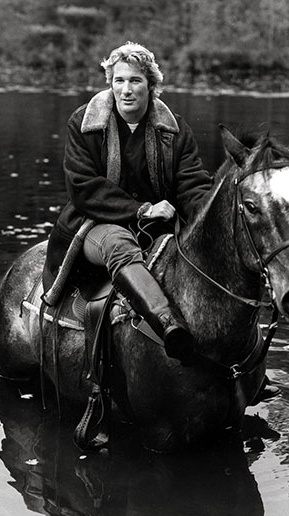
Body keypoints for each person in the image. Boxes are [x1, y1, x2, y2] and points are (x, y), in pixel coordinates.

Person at [43, 42, 212, 364]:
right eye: (119, 80)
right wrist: (142, 210)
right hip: (92, 223)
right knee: (119, 244)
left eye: (135, 81)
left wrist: (208, 221)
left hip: (159, 226)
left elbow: (191, 183)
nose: (126, 90)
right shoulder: (84, 123)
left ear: (151, 85)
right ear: (110, 84)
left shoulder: (173, 129)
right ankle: (168, 326)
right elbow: (83, 187)